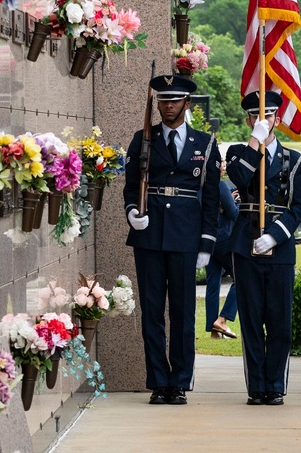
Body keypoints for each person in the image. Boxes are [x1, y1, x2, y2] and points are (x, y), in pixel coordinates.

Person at [123, 74, 221, 406]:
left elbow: (210, 197)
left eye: (175, 101)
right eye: (163, 101)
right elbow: (130, 185)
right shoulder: (142, 140)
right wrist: (132, 212)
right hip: (149, 235)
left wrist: (207, 242)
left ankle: (179, 381)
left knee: (182, 313)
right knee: (152, 311)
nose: (168, 106)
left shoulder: (205, 144)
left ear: (186, 104)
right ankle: (158, 381)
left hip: (185, 235)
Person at [226, 91, 301, 406]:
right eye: (256, 116)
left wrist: (276, 235)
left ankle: (274, 385)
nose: (263, 120)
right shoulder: (238, 152)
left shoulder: (295, 159)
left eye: (269, 115)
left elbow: (299, 204)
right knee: (250, 319)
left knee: (279, 321)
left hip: (280, 247)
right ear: (249, 119)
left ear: (278, 117)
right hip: (246, 244)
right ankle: (256, 386)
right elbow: (239, 176)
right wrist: (255, 142)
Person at [205, 161, 239, 339]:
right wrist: (238, 204)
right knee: (241, 277)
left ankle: (213, 329)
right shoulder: (221, 185)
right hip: (224, 238)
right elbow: (233, 214)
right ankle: (223, 319)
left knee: (213, 283)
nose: (224, 167)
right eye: (222, 165)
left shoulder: (202, 185)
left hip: (208, 240)